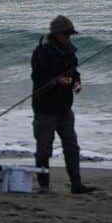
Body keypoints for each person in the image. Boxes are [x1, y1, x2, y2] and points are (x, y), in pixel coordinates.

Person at [31, 15, 96, 194]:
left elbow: (74, 72)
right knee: (44, 149)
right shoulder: (42, 52)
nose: (69, 37)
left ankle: (76, 184)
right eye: (66, 34)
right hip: (45, 108)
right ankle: (44, 186)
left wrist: (76, 82)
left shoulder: (69, 50)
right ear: (56, 34)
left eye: (70, 34)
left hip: (65, 107)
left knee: (71, 146)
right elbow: (37, 77)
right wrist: (57, 80)